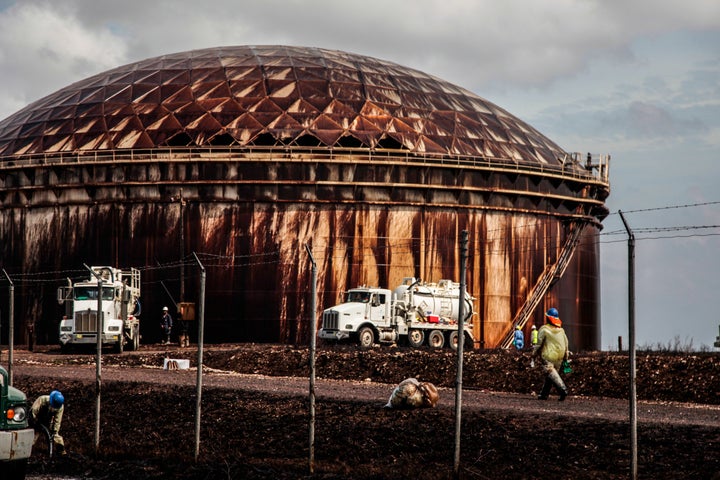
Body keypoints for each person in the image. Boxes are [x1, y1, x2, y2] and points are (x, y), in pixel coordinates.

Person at [532, 307, 569, 401]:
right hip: (560, 357)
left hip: (549, 356)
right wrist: (566, 357)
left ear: (548, 318)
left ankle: (563, 390)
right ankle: (544, 395)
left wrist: (533, 355)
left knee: (550, 372)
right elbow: (566, 344)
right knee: (551, 376)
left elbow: (538, 344)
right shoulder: (562, 331)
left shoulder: (544, 329)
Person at [30, 390, 66, 456]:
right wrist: (34, 421)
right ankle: (28, 451)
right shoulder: (42, 399)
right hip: (37, 419)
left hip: (48, 420)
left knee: (55, 436)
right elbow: (33, 411)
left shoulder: (60, 407)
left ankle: (62, 452)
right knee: (33, 437)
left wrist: (54, 430)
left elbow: (57, 420)